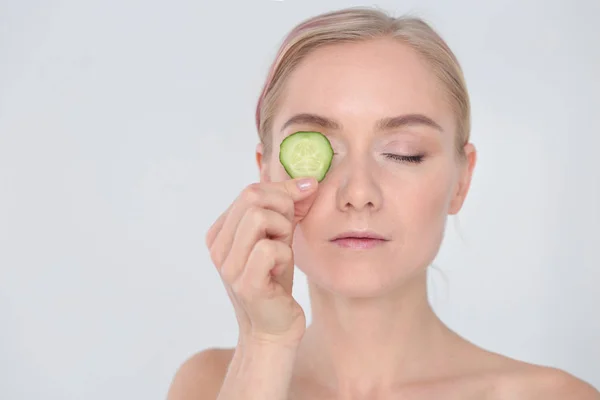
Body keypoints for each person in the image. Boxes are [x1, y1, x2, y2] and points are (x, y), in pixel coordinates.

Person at [167, 6, 600, 400]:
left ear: (461, 181)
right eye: (319, 148)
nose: (358, 194)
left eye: (404, 153)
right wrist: (264, 346)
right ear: (267, 174)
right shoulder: (210, 385)